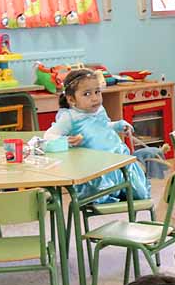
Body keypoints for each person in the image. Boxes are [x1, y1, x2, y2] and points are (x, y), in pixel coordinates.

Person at [44, 68, 150, 204]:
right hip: (96, 168)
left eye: (97, 92)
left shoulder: (99, 110)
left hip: (118, 158)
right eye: (87, 94)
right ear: (71, 99)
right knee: (104, 196)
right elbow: (49, 135)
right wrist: (67, 140)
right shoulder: (70, 117)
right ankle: (112, 191)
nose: (94, 98)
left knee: (140, 194)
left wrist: (116, 125)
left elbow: (102, 126)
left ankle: (125, 188)